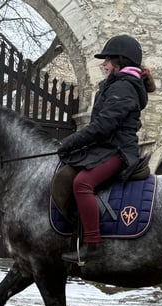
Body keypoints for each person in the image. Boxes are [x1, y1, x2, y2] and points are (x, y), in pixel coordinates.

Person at [57, 34, 155, 265]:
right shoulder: (117, 84)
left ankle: (94, 247)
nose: (104, 64)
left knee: (82, 183)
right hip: (106, 148)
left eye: (108, 60)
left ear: (120, 61)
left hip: (119, 151)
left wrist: (70, 142)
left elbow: (103, 126)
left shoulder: (125, 87)